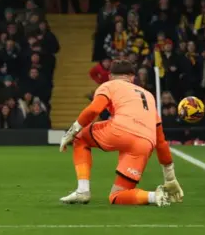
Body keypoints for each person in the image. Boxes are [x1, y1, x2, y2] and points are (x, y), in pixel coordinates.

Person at [58, 60, 184, 207]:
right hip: (145, 143)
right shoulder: (149, 96)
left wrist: (72, 131)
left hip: (121, 130)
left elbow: (94, 110)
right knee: (117, 196)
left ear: (110, 76)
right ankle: (154, 196)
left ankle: (82, 191)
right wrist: (170, 179)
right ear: (132, 77)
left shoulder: (109, 85)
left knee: (80, 138)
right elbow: (161, 142)